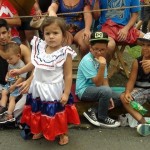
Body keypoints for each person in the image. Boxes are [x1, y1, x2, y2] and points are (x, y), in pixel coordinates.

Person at [10, 17, 80, 144]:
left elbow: (68, 75)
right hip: (38, 87)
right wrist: (20, 71)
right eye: (47, 33)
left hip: (54, 89)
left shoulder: (65, 53)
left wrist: (66, 93)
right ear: (43, 34)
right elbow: (34, 64)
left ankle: (62, 133)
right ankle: (41, 129)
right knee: (40, 110)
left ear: (63, 35)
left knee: (57, 112)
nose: (51, 37)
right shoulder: (41, 48)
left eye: (55, 33)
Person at [75, 31, 122, 128]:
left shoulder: (101, 58)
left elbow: (104, 80)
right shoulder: (87, 60)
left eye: (102, 49)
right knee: (106, 91)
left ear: (106, 49)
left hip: (98, 90)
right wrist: (102, 65)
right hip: (84, 91)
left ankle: (93, 111)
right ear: (90, 48)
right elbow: (97, 83)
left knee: (119, 98)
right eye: (96, 49)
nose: (99, 52)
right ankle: (102, 117)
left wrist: (109, 95)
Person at [0, 18, 32, 119]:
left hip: (20, 87)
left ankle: (11, 116)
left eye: (4, 32)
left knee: (19, 108)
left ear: (9, 32)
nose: (1, 37)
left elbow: (35, 67)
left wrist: (29, 82)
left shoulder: (21, 48)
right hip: (3, 87)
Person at [120, 32, 150, 134]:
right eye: (143, 45)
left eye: (149, 46)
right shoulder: (137, 62)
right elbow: (131, 81)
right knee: (123, 97)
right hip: (140, 90)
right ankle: (143, 122)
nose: (145, 48)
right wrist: (128, 92)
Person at [0, 42, 27, 123]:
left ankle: (9, 113)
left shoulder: (21, 65)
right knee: (4, 92)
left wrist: (14, 86)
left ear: (18, 56)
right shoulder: (10, 63)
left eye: (10, 59)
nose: (8, 61)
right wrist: (7, 76)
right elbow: (8, 72)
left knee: (12, 98)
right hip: (10, 83)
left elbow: (22, 78)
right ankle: (2, 107)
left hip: (17, 85)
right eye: (7, 59)